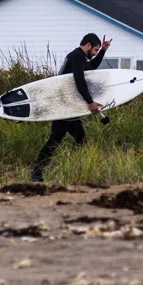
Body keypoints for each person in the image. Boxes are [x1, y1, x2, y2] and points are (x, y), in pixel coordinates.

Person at [31, 33, 112, 182]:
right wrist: (90, 102)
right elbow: (79, 80)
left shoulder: (79, 57)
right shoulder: (77, 57)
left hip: (68, 105)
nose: (94, 54)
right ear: (87, 45)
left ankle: (74, 170)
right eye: (95, 50)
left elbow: (91, 67)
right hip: (64, 105)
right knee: (56, 139)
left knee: (80, 140)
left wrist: (103, 51)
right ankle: (37, 175)